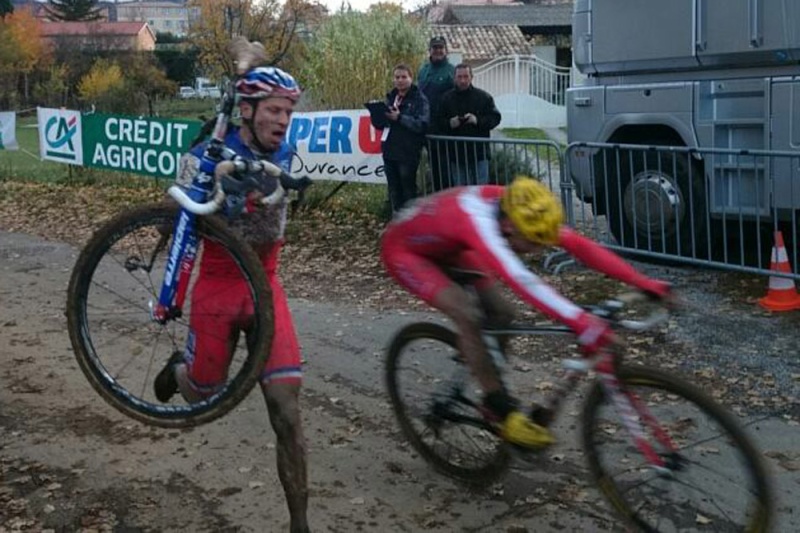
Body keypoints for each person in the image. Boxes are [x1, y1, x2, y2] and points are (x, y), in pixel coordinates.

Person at [380, 177, 671, 449]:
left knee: (504, 313)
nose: (537, 249)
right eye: (532, 243)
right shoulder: (479, 221)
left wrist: (642, 282)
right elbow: (521, 279)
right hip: (406, 251)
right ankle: (497, 402)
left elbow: (582, 246)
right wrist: (581, 321)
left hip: (450, 243)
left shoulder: (523, 210)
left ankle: (486, 376)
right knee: (466, 312)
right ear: (508, 228)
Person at [154, 66, 310, 533]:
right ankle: (179, 370)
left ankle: (299, 525)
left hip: (266, 284)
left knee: (287, 410)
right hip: (219, 284)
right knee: (205, 391)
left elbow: (285, 198)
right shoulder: (206, 154)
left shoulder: (289, 154)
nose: (283, 120)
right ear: (247, 111)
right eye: (275, 111)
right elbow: (171, 219)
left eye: (288, 111)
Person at [369, 63, 429, 215]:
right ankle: (396, 222)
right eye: (397, 77)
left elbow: (422, 124)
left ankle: (411, 222)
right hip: (390, 150)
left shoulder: (419, 98)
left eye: (404, 77)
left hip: (408, 152)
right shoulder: (391, 97)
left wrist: (400, 118)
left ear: (411, 78)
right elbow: (382, 126)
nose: (400, 80)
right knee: (394, 190)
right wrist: (377, 115)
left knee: (408, 189)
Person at [439, 63, 501, 186]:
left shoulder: (483, 97)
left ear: (471, 77)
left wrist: (477, 120)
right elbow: (437, 122)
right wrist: (450, 123)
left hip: (479, 153)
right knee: (461, 191)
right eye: (459, 77)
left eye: (466, 76)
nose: (463, 80)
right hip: (456, 154)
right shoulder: (446, 98)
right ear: (454, 78)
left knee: (480, 191)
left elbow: (495, 118)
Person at [417, 36, 456, 191]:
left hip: (443, 127)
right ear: (430, 50)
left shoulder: (451, 70)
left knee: (445, 168)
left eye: (441, 48)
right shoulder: (424, 70)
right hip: (426, 125)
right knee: (433, 167)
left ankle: (447, 198)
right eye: (435, 48)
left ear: (446, 50)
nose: (438, 51)